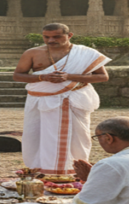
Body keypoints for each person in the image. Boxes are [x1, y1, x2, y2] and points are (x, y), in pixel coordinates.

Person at [13, 23, 110, 175]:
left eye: (56, 36)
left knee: (78, 136)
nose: (51, 40)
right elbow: (18, 75)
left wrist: (69, 76)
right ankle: (40, 170)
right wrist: (42, 77)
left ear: (69, 35)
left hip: (73, 99)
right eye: (46, 37)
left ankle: (76, 171)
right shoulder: (32, 53)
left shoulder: (86, 53)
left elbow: (103, 77)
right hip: (40, 100)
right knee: (36, 135)